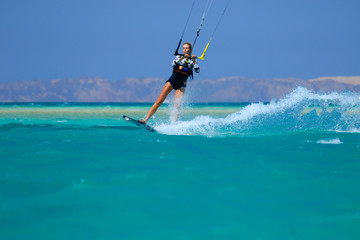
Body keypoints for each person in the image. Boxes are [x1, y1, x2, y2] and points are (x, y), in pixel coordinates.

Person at [139, 42, 200, 123]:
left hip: (182, 84)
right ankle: (145, 119)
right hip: (173, 80)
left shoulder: (192, 61)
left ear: (190, 49)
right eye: (183, 48)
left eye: (187, 48)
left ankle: (174, 125)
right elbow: (173, 64)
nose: (185, 50)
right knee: (159, 100)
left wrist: (194, 60)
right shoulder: (178, 57)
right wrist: (182, 58)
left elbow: (197, 70)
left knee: (177, 106)